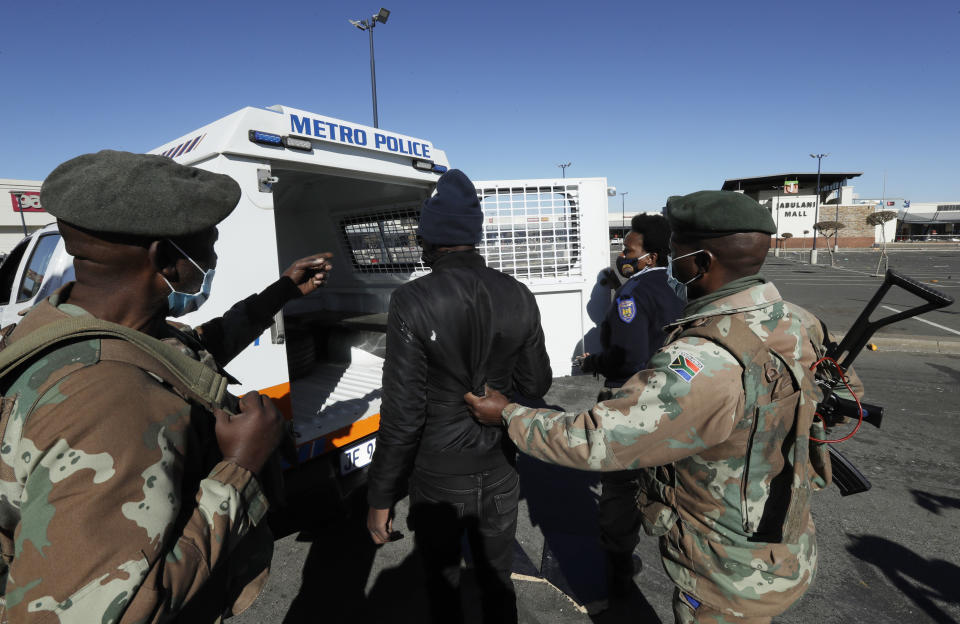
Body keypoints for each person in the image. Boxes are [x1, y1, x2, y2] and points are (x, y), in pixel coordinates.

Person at [466, 190, 862, 624]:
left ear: (704, 262)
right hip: (784, 542)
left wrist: (508, 414)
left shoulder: (705, 357)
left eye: (676, 253)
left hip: (726, 575)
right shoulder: (799, 320)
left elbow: (599, 439)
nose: (670, 263)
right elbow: (844, 396)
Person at [0, 150, 333, 623]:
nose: (214, 258)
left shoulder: (67, 326)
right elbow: (116, 610)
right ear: (167, 260)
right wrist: (240, 469)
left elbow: (193, 348)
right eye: (209, 246)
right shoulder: (111, 402)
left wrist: (281, 291)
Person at [366, 169, 551, 624]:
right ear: (474, 236)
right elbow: (536, 384)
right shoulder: (519, 294)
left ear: (428, 240)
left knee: (443, 583)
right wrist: (501, 409)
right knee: (497, 578)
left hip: (438, 475)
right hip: (502, 465)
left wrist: (381, 495)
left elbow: (404, 412)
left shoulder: (412, 300)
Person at [577, 213, 684, 598]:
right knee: (670, 476)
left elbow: (626, 355)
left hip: (630, 395)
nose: (622, 255)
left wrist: (594, 363)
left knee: (619, 484)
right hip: (675, 396)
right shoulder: (679, 285)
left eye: (629, 250)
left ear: (650, 256)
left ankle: (619, 558)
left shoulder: (631, 295)